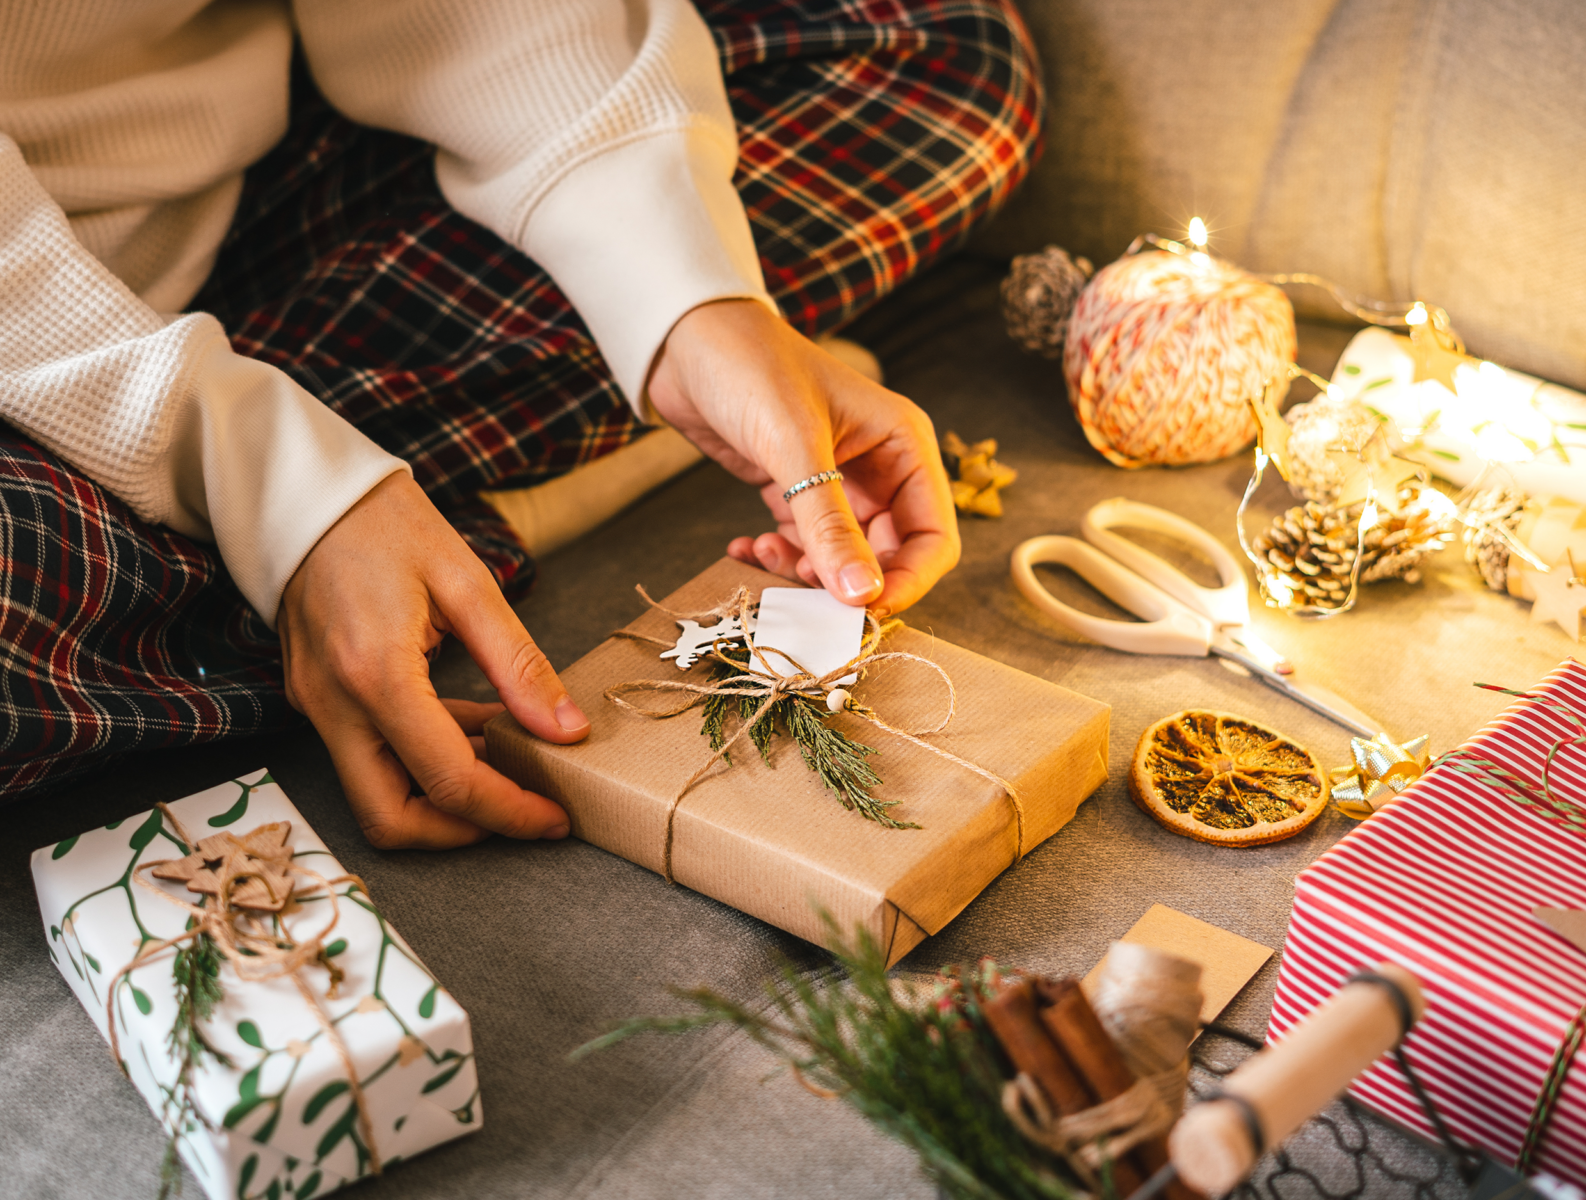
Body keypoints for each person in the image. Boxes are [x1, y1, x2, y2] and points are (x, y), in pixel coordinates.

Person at [0, 0, 1041, 846]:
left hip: (244, 193)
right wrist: (274, 486)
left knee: (937, 41)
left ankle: (377, 544)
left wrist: (690, 300)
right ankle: (431, 519)